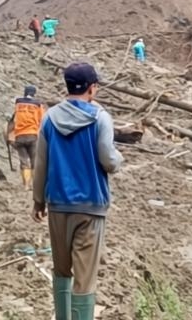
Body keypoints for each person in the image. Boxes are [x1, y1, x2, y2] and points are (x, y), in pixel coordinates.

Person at [32, 62, 123, 319]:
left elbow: (41, 163)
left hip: (58, 205)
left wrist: (38, 200)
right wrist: (119, 159)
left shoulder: (49, 118)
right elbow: (109, 160)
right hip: (90, 208)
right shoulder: (100, 118)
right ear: (92, 88)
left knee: (62, 271)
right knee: (85, 280)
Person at [6, 85, 46, 190]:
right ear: (34, 93)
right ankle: (35, 184)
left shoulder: (18, 103)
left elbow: (13, 119)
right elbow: (43, 121)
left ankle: (26, 185)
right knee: (34, 160)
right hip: (33, 135)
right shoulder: (38, 104)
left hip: (19, 136)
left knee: (23, 161)